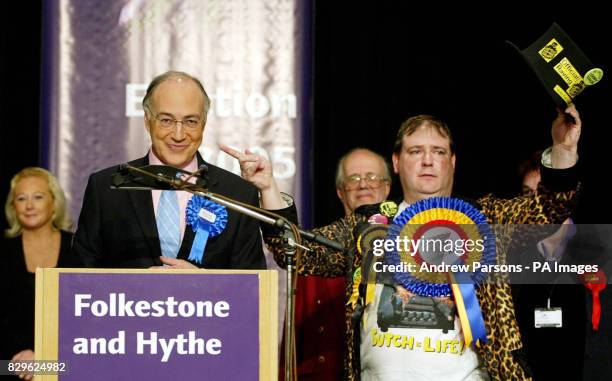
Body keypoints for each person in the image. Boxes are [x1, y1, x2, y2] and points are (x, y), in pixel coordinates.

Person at [223, 104, 582, 380]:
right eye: (415, 151)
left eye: (439, 152)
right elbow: (299, 254)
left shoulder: (484, 219)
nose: (427, 160)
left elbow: (548, 208)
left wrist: (562, 149)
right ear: (396, 162)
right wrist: (268, 187)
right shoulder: (368, 224)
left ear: (452, 161)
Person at [74, 71, 265, 270]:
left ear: (204, 124)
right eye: (166, 120)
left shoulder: (238, 194)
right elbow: (78, 278)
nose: (179, 135)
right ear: (147, 121)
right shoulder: (106, 187)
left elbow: (252, 288)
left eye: (191, 121)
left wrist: (207, 285)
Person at [287, 148, 391, 380]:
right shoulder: (316, 251)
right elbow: (295, 337)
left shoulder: (404, 248)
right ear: (340, 192)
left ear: (388, 187)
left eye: (372, 177)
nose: (363, 184)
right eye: (353, 178)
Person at [1, 167, 79, 380]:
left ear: (54, 202)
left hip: (68, 364)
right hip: (9, 365)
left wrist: (44, 358)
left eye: (37, 197)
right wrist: (20, 361)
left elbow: (88, 318)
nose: (29, 206)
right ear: (12, 206)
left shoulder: (79, 248)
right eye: (21, 198)